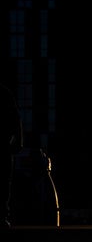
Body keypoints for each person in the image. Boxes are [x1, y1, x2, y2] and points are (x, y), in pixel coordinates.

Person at [0, 82, 23, 228]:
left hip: (2, 148)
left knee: (2, 184)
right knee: (2, 184)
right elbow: (16, 119)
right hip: (3, 148)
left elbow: (15, 119)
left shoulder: (4, 93)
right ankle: (2, 215)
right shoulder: (4, 93)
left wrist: (18, 142)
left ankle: (2, 215)